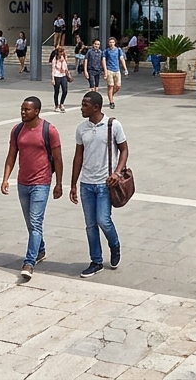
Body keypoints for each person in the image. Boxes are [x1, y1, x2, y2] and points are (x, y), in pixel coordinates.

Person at [0, 97, 63, 281]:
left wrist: (59, 183)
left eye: (27, 109)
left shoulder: (49, 130)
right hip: (23, 182)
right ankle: (40, 250)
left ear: (37, 111)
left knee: (35, 222)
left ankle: (29, 262)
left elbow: (58, 159)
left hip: (41, 183)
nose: (23, 112)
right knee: (30, 223)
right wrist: (5, 178)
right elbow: (11, 155)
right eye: (22, 109)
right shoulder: (17, 130)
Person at [71, 91, 127, 278]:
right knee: (90, 225)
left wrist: (117, 173)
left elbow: (124, 150)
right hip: (86, 184)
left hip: (105, 183)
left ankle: (115, 244)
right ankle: (96, 261)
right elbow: (78, 156)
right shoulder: (81, 129)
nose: (81, 108)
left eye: (85, 105)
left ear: (96, 107)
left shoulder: (113, 125)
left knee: (103, 220)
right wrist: (72, 185)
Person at [102, 36, 127, 109]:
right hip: (109, 70)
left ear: (115, 43)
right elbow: (103, 60)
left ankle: (111, 95)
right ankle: (111, 102)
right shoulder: (106, 51)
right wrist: (105, 71)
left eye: (113, 42)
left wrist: (125, 69)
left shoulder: (118, 50)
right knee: (110, 86)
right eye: (110, 42)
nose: (111, 44)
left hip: (117, 70)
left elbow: (121, 59)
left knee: (118, 86)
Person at [50, 47, 73, 113]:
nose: (62, 53)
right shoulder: (55, 59)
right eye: (61, 52)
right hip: (56, 76)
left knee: (65, 90)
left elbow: (66, 68)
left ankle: (61, 103)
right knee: (56, 91)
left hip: (63, 76)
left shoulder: (63, 59)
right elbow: (53, 69)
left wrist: (69, 75)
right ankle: (56, 105)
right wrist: (52, 79)